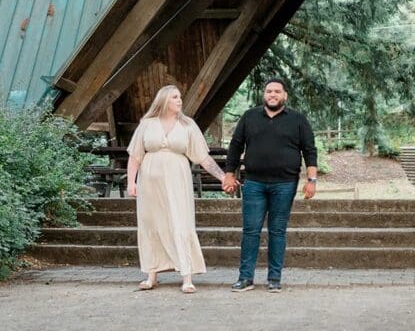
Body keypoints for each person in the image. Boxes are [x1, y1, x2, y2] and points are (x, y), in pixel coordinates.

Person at [126, 84, 226, 293]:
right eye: (174, 97)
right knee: (151, 223)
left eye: (180, 97)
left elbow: (202, 158)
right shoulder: (147, 124)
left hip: (177, 180)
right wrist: (131, 182)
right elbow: (135, 156)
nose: (179, 100)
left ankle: (187, 276)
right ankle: (151, 274)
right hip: (150, 183)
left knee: (180, 221)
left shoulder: (187, 125)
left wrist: (223, 177)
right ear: (163, 100)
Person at [223, 78, 317, 292]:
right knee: (250, 231)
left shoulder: (297, 119)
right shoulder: (249, 117)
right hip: (254, 183)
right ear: (264, 95)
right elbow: (235, 146)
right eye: (269, 91)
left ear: (285, 95)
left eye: (277, 91)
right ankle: (245, 278)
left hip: (285, 184)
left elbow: (310, 151)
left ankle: (274, 278)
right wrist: (229, 174)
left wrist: (312, 180)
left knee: (277, 231)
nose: (272, 94)